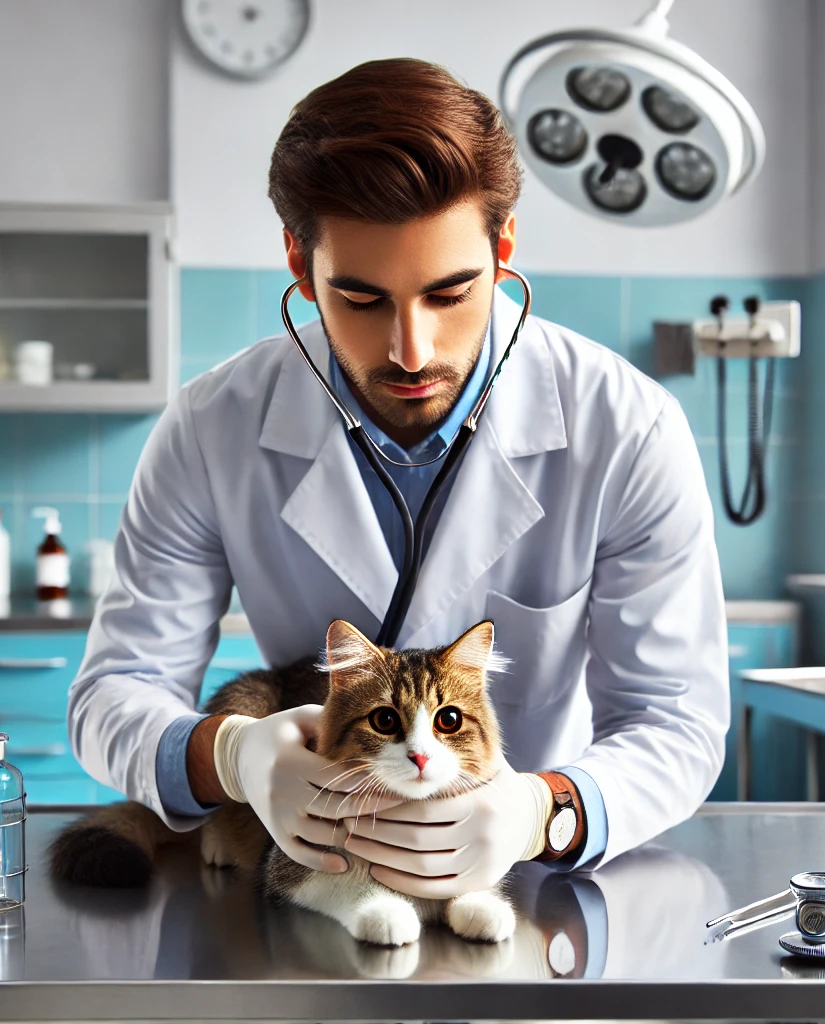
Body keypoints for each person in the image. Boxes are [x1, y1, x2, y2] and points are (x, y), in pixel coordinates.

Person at [69, 57, 729, 897]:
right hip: (312, 877)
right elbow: (115, 692)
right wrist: (229, 757)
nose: (410, 351)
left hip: (527, 882)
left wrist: (544, 811)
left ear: (504, 248)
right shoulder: (212, 426)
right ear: (299, 266)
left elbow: (675, 721)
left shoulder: (626, 426)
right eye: (362, 298)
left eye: (451, 294)